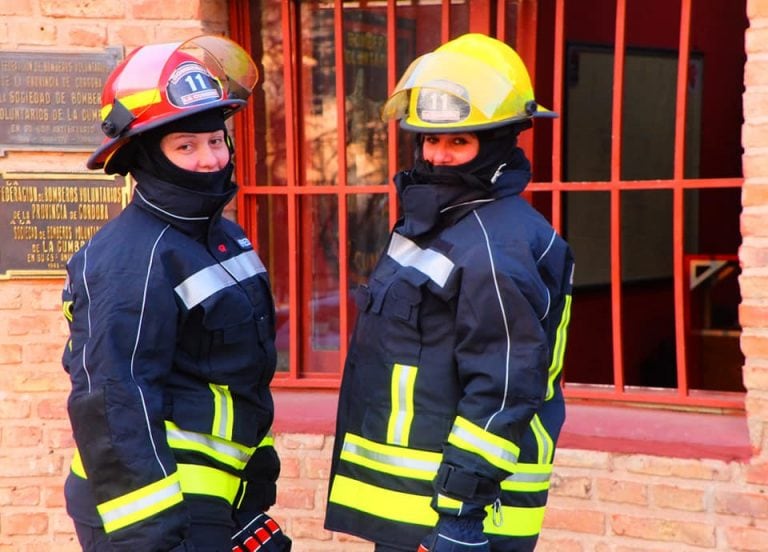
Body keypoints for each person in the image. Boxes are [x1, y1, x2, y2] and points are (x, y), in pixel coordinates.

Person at [325, 33, 574, 552]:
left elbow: (501, 389)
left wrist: (460, 514)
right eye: (430, 140)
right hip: (415, 508)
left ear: (502, 141)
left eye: (459, 142)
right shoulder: (441, 222)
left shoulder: (495, 244)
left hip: (460, 517)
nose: (438, 157)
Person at [61, 35, 291, 552]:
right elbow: (114, 399)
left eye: (215, 140)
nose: (210, 158)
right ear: (147, 156)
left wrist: (253, 484)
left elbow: (237, 377)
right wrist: (154, 536)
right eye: (185, 145)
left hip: (216, 500)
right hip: (155, 508)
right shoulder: (128, 257)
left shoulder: (225, 238)